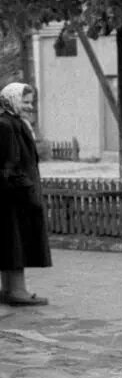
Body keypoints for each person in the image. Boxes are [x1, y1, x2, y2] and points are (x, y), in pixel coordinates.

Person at [0, 82, 52, 306]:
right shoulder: (7, 125)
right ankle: (16, 291)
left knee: (12, 241)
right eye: (25, 101)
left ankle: (10, 289)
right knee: (15, 241)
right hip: (15, 197)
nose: (30, 106)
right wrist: (28, 191)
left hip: (14, 194)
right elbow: (8, 165)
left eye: (31, 102)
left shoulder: (13, 123)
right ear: (11, 99)